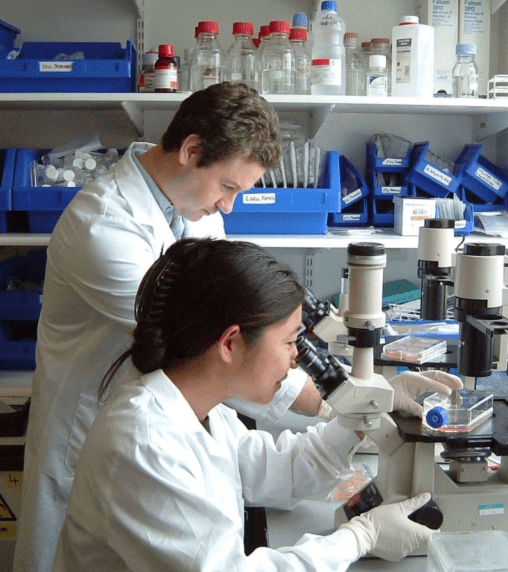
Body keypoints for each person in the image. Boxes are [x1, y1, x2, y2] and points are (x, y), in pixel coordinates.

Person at [15, 82, 329, 572]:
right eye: (228, 186)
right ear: (191, 150)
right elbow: (215, 339)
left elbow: (234, 323)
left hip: (167, 419)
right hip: (94, 435)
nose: (229, 206)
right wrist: (339, 401)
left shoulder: (198, 213)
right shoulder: (102, 225)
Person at [50, 238, 443, 570]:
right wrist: (359, 537)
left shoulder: (200, 407)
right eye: (290, 342)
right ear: (231, 342)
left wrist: (360, 417)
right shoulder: (146, 444)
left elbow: (278, 470)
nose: (295, 359)